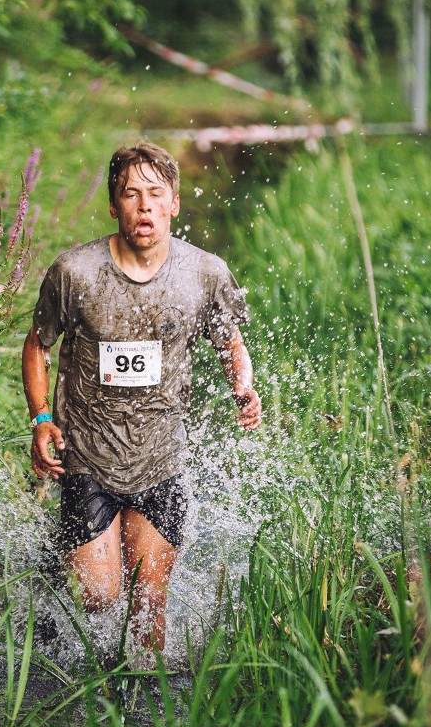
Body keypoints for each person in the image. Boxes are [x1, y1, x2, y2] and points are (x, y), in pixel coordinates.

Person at [22, 139, 261, 660]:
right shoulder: (75, 273)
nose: (144, 206)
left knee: (149, 606)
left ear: (175, 202)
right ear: (113, 205)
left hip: (161, 460)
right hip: (88, 460)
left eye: (155, 194)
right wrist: (41, 418)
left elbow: (231, 345)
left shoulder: (206, 273)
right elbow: (38, 345)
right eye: (132, 195)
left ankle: (153, 726)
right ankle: (55, 576)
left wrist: (242, 386)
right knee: (100, 597)